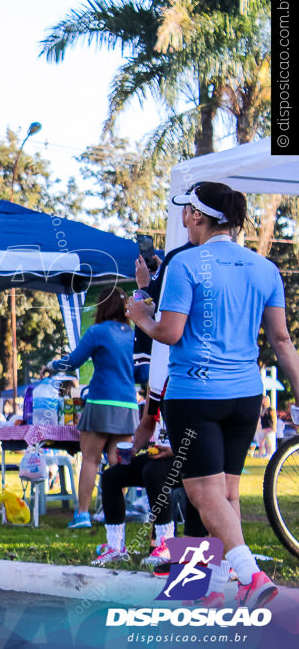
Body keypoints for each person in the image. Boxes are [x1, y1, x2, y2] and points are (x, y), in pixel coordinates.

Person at [129, 181, 299, 609]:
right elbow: (281, 341)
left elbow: (169, 332)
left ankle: (249, 575)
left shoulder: (185, 263)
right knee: (223, 493)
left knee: (203, 495)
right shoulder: (265, 268)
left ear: (199, 217)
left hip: (195, 394)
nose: (183, 217)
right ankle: (203, 590)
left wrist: (142, 317)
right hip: (245, 396)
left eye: (186, 211)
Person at [47, 286, 136, 529]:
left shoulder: (97, 332)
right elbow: (140, 371)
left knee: (90, 460)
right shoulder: (132, 333)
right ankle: (112, 514)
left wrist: (52, 364)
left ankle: (83, 515)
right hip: (128, 405)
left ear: (103, 306)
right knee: (119, 463)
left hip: (100, 402)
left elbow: (74, 360)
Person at [91, 406, 175, 566]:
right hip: (159, 452)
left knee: (153, 472)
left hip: (187, 455)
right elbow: (147, 423)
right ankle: (115, 548)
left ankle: (167, 545)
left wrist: (173, 450)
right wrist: (134, 449)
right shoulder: (155, 383)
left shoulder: (190, 381)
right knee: (111, 476)